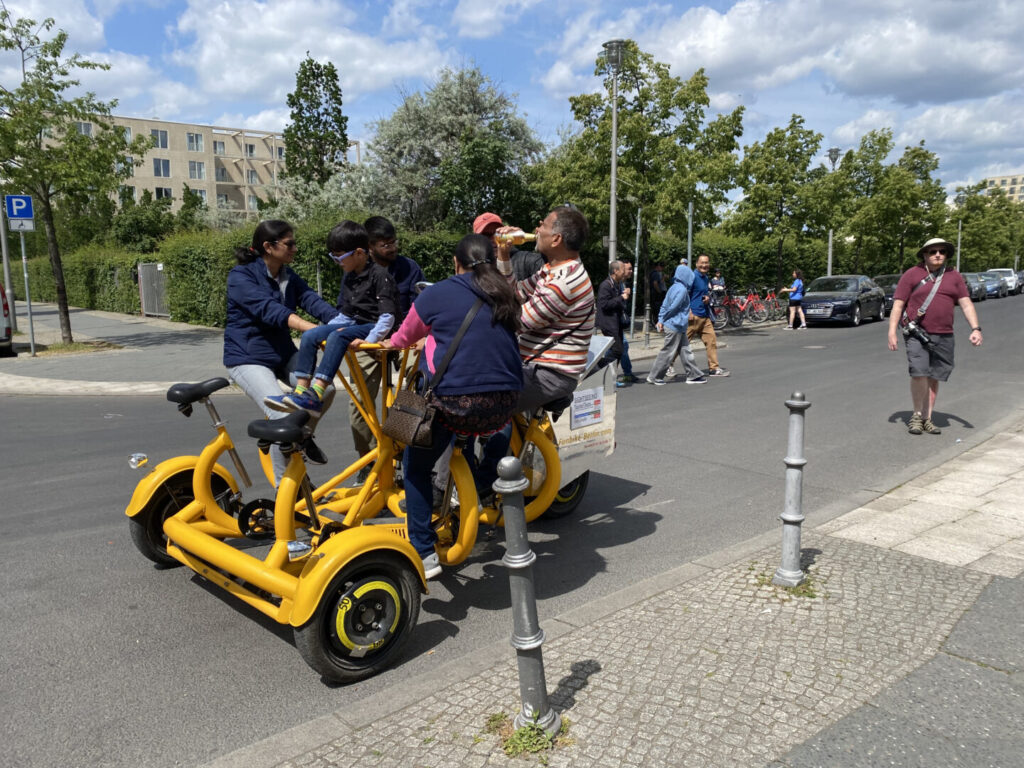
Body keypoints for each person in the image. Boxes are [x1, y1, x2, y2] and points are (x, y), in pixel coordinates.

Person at [375, 234, 522, 578]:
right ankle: (479, 485)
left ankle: (423, 551)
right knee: (474, 431)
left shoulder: (437, 292)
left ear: (456, 263)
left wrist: (385, 343)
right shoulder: (505, 292)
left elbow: (403, 338)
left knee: (415, 465)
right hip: (504, 404)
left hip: (456, 404)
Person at [223, 219, 339, 482]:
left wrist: (342, 324)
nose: (295, 249)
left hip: (282, 354)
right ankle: (285, 489)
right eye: (290, 244)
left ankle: (302, 438)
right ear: (268, 246)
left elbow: (313, 301)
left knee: (326, 389)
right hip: (247, 357)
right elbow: (269, 310)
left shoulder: (287, 276)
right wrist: (311, 329)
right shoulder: (241, 277)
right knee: (282, 416)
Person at [264, 221, 398, 416]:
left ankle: (317, 393)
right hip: (354, 322)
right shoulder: (350, 276)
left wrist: (370, 340)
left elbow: (387, 316)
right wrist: (322, 330)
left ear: (359, 253)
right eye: (333, 257)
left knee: (338, 337)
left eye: (340, 257)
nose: (338, 262)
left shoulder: (380, 275)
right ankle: (300, 391)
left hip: (373, 325)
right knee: (311, 335)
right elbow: (345, 314)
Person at [346, 216, 426, 483]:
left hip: (406, 343)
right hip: (369, 344)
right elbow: (347, 311)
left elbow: (421, 306)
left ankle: (404, 460)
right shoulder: (355, 273)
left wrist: (413, 338)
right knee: (359, 405)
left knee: (410, 401)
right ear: (368, 247)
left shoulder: (410, 268)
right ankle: (369, 462)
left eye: (393, 242)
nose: (392, 248)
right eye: (384, 244)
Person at [495, 205, 596, 411]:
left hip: (548, 374)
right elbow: (515, 295)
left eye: (543, 225)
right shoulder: (551, 270)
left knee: (479, 400)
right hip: (533, 366)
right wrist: (503, 256)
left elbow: (515, 321)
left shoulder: (564, 282)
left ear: (556, 239)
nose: (537, 229)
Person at [887, 237, 982, 435]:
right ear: (924, 254)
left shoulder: (954, 276)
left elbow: (965, 303)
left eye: (942, 251)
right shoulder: (912, 274)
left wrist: (976, 328)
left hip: (944, 334)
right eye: (932, 251)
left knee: (934, 376)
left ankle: (926, 418)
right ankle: (916, 415)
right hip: (917, 333)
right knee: (919, 372)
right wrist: (891, 332)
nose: (937, 254)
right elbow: (898, 304)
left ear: (946, 255)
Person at [646, 264, 706, 385]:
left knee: (685, 350)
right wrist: (662, 320)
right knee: (668, 351)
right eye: (690, 277)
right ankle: (654, 376)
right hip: (675, 325)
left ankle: (693, 375)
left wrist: (661, 319)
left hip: (677, 325)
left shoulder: (673, 287)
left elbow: (665, 304)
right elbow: (673, 307)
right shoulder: (682, 290)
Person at [687, 253, 730, 377]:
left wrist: (706, 298)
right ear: (697, 264)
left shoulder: (706, 278)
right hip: (692, 316)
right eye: (702, 263)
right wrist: (688, 311)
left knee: (711, 341)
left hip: (704, 315)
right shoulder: (692, 276)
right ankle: (668, 366)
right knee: (681, 343)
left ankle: (713, 368)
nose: (704, 265)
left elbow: (703, 294)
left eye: (706, 263)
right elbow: (684, 295)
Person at [473, 212, 545, 282]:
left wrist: (545, 241)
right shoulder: (473, 269)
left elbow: (553, 268)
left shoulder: (525, 260)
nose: (493, 239)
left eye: (497, 233)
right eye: (486, 235)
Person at [596, 260, 630, 385]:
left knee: (619, 350)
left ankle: (610, 378)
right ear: (615, 271)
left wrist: (623, 296)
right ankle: (598, 366)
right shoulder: (606, 285)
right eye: (622, 270)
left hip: (616, 322)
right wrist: (621, 298)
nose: (624, 272)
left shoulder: (616, 284)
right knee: (618, 350)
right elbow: (604, 305)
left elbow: (617, 303)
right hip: (608, 323)